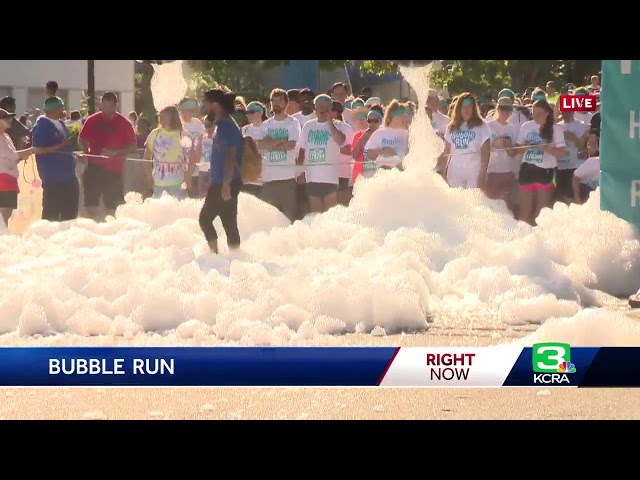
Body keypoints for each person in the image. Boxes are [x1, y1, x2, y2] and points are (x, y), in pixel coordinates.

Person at [78, 92, 137, 221]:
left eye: (110, 106)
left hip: (113, 170)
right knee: (90, 204)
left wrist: (114, 152)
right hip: (93, 167)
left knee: (113, 207)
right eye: (104, 106)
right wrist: (85, 150)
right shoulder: (92, 120)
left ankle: (112, 233)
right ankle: (91, 231)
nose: (106, 110)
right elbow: (82, 138)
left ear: (116, 105)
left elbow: (133, 147)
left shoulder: (124, 123)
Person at [199, 89, 243, 254]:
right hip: (223, 181)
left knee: (205, 220)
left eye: (206, 103)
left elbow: (231, 155)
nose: (205, 107)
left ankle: (214, 256)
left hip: (225, 182)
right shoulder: (222, 124)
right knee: (229, 221)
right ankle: (235, 257)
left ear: (215, 104)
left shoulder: (226, 126)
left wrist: (226, 183)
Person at [515, 100, 566, 225]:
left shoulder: (555, 129)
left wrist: (544, 148)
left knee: (541, 212)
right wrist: (525, 146)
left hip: (546, 171)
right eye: (534, 113)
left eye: (539, 113)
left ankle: (539, 238)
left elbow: (561, 152)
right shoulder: (526, 126)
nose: (536, 116)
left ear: (547, 113)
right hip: (527, 169)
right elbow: (517, 150)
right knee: (524, 212)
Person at [31, 97, 79, 222]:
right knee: (51, 214)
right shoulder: (42, 125)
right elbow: (38, 149)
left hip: (68, 176)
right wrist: (61, 146)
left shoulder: (61, 123)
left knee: (69, 214)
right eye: (61, 106)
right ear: (54, 108)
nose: (63, 109)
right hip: (53, 178)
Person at [254, 92, 301, 221]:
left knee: (288, 215)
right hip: (269, 178)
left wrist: (269, 142)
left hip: (287, 177)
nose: (276, 103)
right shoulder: (266, 124)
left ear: (286, 103)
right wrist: (280, 140)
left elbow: (291, 145)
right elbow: (259, 145)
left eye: (280, 100)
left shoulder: (293, 122)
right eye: (273, 101)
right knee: (269, 217)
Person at [297, 94, 346, 213]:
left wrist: (330, 123)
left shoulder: (338, 125)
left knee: (330, 212)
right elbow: (302, 150)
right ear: (315, 109)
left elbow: (341, 141)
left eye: (326, 108)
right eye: (320, 107)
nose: (323, 111)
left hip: (330, 177)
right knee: (315, 211)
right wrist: (299, 172)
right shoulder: (308, 126)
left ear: (331, 109)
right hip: (312, 177)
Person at [439, 93, 491, 189]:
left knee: (472, 201)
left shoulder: (482, 125)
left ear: (473, 108)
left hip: (474, 170)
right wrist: (442, 170)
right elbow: (447, 151)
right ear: (459, 109)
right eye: (463, 107)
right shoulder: (451, 127)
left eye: (469, 107)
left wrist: (484, 172)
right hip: (455, 171)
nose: (466, 110)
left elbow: (486, 151)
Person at [143, 105, 195, 199]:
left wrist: (188, 177)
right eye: (160, 116)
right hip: (158, 183)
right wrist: (149, 177)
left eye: (163, 116)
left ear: (173, 117)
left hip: (178, 183)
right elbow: (147, 156)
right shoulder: (155, 134)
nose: (160, 118)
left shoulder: (183, 134)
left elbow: (192, 158)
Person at [0, 109, 32, 227]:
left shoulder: (5, 136)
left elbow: (13, 158)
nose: (9, 120)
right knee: (3, 217)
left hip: (10, 179)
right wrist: (32, 149)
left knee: (6, 217)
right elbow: (13, 155)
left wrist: (24, 153)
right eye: (5, 118)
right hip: (3, 180)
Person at [485, 97, 518, 205]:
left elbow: (513, 154)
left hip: (506, 171)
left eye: (508, 110)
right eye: (503, 109)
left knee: (504, 205)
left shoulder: (512, 129)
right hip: (490, 171)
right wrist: (494, 144)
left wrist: (509, 147)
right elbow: (479, 149)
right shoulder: (488, 126)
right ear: (498, 109)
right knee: (490, 205)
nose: (505, 112)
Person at [365, 100, 410, 171]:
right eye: (403, 116)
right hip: (384, 174)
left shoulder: (407, 135)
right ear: (395, 117)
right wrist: (382, 152)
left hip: (402, 174)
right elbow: (367, 153)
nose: (406, 118)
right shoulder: (380, 133)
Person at [556, 110, 588, 203]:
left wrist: (572, 136)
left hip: (575, 165)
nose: (564, 113)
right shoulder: (557, 126)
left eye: (567, 111)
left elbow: (583, 146)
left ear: (573, 112)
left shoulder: (582, 126)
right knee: (562, 196)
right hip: (560, 166)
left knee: (574, 195)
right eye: (562, 111)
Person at [178, 98, 205, 198]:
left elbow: (202, 141)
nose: (188, 112)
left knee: (196, 197)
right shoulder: (178, 125)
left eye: (190, 109)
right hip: (181, 169)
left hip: (197, 168)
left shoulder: (198, 123)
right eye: (185, 109)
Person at [241, 101, 268, 198]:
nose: (248, 115)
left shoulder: (268, 127)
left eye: (251, 112)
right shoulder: (244, 129)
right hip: (250, 170)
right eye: (246, 113)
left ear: (260, 113)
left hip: (265, 169)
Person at [331, 101, 355, 206]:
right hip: (326, 172)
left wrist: (331, 150)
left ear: (336, 112)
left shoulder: (346, 127)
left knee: (341, 204)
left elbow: (349, 150)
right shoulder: (321, 126)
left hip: (342, 173)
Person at [351, 105, 384, 183]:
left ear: (381, 121)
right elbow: (354, 156)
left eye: (375, 121)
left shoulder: (385, 135)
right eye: (369, 121)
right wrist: (362, 139)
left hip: (379, 176)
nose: (372, 123)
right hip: (362, 177)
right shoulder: (359, 135)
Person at [194, 117, 215, 198]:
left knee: (212, 190)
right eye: (207, 125)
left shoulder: (217, 137)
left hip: (213, 169)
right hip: (202, 168)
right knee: (201, 190)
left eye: (211, 125)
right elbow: (197, 152)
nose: (209, 128)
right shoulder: (201, 138)